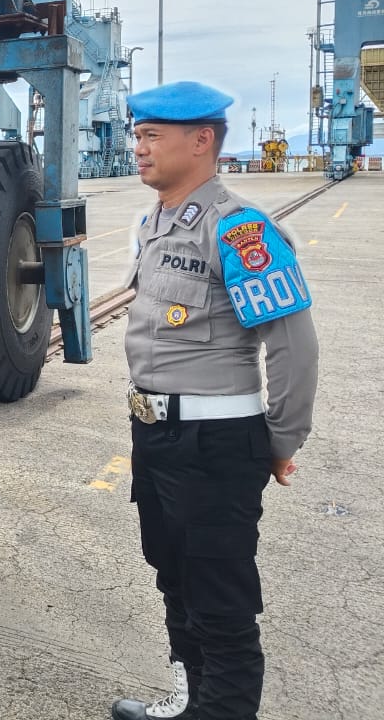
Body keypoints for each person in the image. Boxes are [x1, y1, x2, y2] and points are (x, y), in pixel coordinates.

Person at [113, 81, 318, 720]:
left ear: (201, 140)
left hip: (216, 445)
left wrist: (278, 441)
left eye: (152, 136)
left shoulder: (239, 230)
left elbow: (293, 348)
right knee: (173, 576)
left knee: (220, 600)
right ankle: (192, 698)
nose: (139, 148)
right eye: (138, 135)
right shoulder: (155, 223)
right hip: (157, 437)